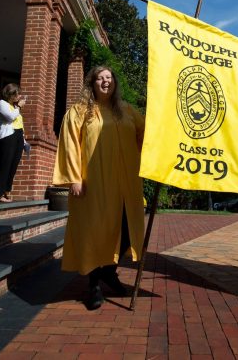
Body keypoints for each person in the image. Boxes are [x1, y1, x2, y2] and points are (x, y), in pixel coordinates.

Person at [52, 66, 145, 310]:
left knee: (126, 229)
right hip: (94, 182)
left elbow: (146, 135)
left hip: (126, 183)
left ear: (115, 82)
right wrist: (74, 178)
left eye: (109, 77)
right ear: (92, 83)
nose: (105, 82)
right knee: (96, 231)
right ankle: (93, 285)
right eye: (100, 78)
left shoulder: (127, 110)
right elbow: (69, 143)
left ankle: (109, 272)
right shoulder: (80, 111)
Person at [0, 83, 27, 203]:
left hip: (18, 137)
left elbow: (20, 124)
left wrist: (24, 141)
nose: (19, 96)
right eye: (17, 93)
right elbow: (10, 117)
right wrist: (18, 107)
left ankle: (7, 190)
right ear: (10, 94)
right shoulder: (2, 103)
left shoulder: (14, 107)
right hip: (8, 136)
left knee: (13, 165)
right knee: (6, 163)